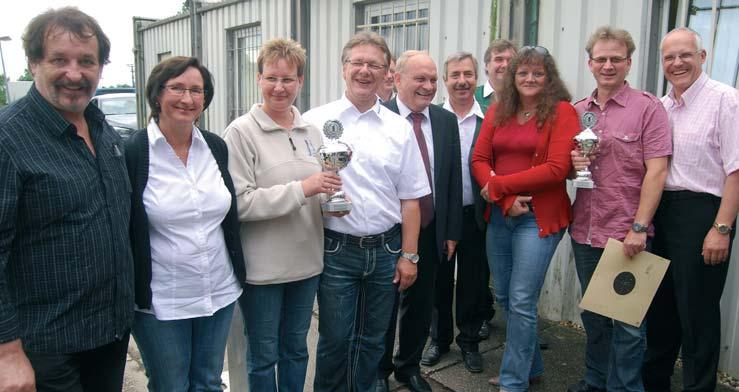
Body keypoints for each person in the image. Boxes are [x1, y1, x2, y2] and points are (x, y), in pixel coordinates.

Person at [0, 7, 133, 392]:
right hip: (45, 348)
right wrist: (7, 352)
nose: (74, 73)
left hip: (108, 335)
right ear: (33, 62)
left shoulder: (102, 128)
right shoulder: (9, 140)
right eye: (59, 59)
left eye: (86, 61)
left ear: (100, 67)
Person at [303, 31, 430, 392]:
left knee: (372, 341)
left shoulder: (399, 128)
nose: (364, 71)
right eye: (357, 63)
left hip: (387, 251)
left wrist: (410, 255)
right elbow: (301, 181)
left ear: (387, 73)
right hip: (335, 250)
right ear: (344, 69)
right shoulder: (315, 121)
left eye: (374, 64)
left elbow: (411, 199)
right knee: (334, 340)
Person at [222, 38, 342, 391]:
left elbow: (319, 192)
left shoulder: (313, 132)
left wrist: (331, 199)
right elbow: (240, 203)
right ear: (259, 79)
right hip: (263, 271)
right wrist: (304, 188)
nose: (279, 87)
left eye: (288, 79)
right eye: (271, 78)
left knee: (296, 350)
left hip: (306, 264)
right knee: (264, 356)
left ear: (300, 82)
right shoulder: (241, 133)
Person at [125, 56, 245, 391]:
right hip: (162, 300)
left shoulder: (215, 147)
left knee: (207, 382)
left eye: (197, 90)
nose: (187, 98)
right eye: (177, 88)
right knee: (170, 385)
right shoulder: (134, 152)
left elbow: (228, 216)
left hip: (218, 292)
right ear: (157, 94)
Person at [566, 26, 671, 392]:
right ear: (590, 63)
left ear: (628, 62)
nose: (608, 65)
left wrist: (640, 227)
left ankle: (624, 387)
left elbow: (657, 170)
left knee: (628, 324)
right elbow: (567, 168)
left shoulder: (648, 108)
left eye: (616, 59)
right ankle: (596, 381)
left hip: (627, 233)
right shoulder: (578, 111)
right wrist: (574, 160)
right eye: (601, 59)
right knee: (594, 317)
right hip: (584, 231)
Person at [471, 46, 579, 392]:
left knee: (520, 299)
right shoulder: (501, 109)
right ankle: (531, 365)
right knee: (502, 295)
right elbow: (479, 158)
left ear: (549, 78)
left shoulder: (563, 112)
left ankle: (514, 380)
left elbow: (557, 169)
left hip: (539, 218)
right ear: (512, 77)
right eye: (523, 73)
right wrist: (504, 199)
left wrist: (498, 186)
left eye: (537, 73)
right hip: (502, 215)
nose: (530, 79)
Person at [642, 27, 739, 392]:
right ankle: (655, 385)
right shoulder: (662, 107)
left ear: (702, 57)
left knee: (697, 316)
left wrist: (722, 227)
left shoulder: (725, 100)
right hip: (662, 214)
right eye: (669, 57)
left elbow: (736, 169)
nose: (677, 62)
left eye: (685, 54)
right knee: (660, 311)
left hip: (703, 214)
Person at [377, 50, 463, 392]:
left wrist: (452, 230)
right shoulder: (377, 118)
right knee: (384, 305)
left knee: (421, 303)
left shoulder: (444, 121)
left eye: (432, 80)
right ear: (397, 79)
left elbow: (453, 179)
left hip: (430, 228)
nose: (428, 87)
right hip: (387, 228)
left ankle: (408, 367)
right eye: (420, 79)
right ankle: (378, 371)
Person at [421, 51, 492, 370]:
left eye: (468, 74)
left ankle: (470, 340)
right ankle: (439, 339)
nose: (462, 81)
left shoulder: (490, 118)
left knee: (474, 282)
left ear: (477, 79)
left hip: (476, 215)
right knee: (439, 279)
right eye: (455, 75)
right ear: (445, 81)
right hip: (440, 216)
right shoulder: (432, 118)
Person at [475, 39, 517, 115]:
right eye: (499, 59)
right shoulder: (472, 97)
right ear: (487, 65)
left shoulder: (523, 99)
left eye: (510, 60)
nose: (505, 65)